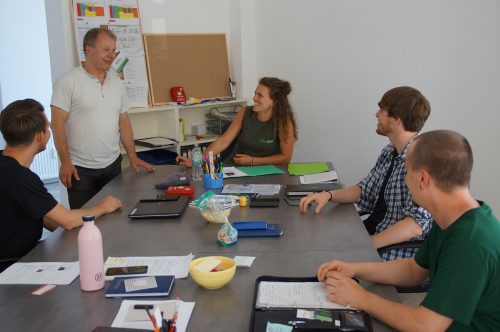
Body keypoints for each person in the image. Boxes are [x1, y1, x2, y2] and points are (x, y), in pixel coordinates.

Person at [317, 130, 500, 331]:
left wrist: (361, 298)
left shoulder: (471, 242)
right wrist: (354, 268)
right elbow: (414, 270)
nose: (405, 181)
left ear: (423, 179)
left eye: (407, 171)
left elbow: (426, 326)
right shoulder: (454, 218)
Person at [300, 86, 432, 260]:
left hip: (391, 253)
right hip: (372, 234)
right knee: (313, 241)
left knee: (317, 260)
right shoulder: (389, 151)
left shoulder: (422, 159)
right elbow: (364, 190)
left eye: (382, 110)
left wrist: (366, 245)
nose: (376, 114)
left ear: (397, 119)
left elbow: (414, 226)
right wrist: (328, 195)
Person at [0, 99, 122, 269]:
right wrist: (102, 207)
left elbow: (40, 213)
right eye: (49, 127)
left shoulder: (7, 167)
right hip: (13, 267)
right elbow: (66, 220)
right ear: (40, 136)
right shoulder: (20, 178)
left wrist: (69, 227)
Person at [51, 27, 154, 209]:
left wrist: (133, 156)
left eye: (113, 50)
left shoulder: (116, 82)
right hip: (80, 170)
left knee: (115, 219)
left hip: (113, 166)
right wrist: (65, 162)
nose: (111, 55)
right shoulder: (68, 81)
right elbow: (57, 124)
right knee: (84, 222)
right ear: (89, 50)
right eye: (106, 49)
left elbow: (123, 122)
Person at [176, 77, 298, 166]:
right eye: (255, 93)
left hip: (268, 173)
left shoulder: (284, 122)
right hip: (235, 169)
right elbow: (224, 141)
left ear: (274, 101)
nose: (254, 98)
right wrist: (198, 161)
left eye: (260, 95)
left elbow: (285, 157)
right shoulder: (245, 112)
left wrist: (253, 161)